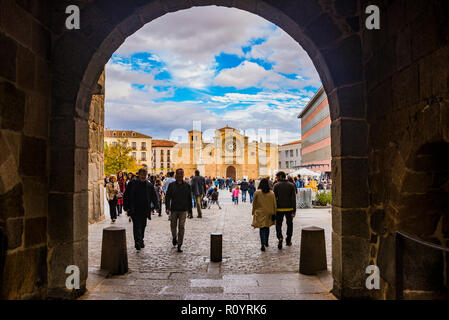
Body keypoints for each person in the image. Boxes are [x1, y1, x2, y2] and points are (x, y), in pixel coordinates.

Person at [124, 168, 159, 251]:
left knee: (143, 225)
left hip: (145, 209)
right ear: (138, 175)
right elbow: (127, 195)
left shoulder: (149, 185)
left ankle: (141, 239)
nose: (143, 176)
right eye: (142, 174)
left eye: (145, 175)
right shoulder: (132, 183)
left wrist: (156, 206)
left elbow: (154, 196)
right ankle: (137, 242)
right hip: (134, 208)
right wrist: (126, 207)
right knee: (136, 226)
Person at [165, 168, 192, 253]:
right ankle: (174, 237)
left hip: (183, 209)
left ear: (183, 175)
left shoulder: (187, 186)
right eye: (178, 174)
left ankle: (180, 244)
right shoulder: (171, 185)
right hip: (174, 209)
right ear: (176, 175)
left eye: (181, 174)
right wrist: (167, 207)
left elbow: (189, 198)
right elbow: (168, 197)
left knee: (181, 227)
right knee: (173, 225)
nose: (180, 175)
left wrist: (190, 211)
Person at [273, 171, 296, 250]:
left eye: (277, 177)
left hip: (279, 208)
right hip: (289, 208)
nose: (276, 178)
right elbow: (293, 199)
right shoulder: (291, 185)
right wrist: (294, 211)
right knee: (289, 224)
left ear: (280, 176)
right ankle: (288, 240)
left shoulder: (276, 185)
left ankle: (280, 237)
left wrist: (274, 209)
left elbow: (274, 199)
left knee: (278, 224)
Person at [251, 178, 276, 251]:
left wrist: (253, 212)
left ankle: (262, 243)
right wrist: (274, 213)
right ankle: (266, 242)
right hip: (269, 212)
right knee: (267, 227)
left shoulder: (257, 192)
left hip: (260, 212)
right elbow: (274, 204)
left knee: (262, 228)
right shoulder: (272, 193)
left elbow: (254, 203)